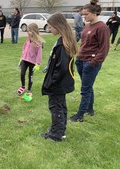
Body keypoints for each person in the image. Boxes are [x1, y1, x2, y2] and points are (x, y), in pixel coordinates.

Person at [70, 0, 110, 122]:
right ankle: (90, 109)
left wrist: (92, 63)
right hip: (80, 61)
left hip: (90, 63)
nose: (84, 17)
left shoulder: (102, 27)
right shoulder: (87, 26)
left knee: (85, 89)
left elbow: (104, 50)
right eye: (83, 15)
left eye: (86, 14)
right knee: (88, 86)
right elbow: (83, 43)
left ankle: (80, 115)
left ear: (94, 13)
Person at [40, 13, 78, 142]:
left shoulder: (62, 45)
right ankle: (59, 130)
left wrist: (52, 82)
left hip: (58, 84)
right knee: (60, 106)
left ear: (58, 26)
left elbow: (61, 68)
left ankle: (56, 135)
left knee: (56, 107)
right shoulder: (64, 40)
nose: (49, 29)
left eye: (51, 27)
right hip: (61, 83)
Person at [17, 23, 43, 98]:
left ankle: (29, 90)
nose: (29, 32)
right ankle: (23, 87)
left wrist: (38, 63)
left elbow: (39, 53)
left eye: (30, 31)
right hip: (25, 60)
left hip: (32, 62)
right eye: (28, 31)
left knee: (30, 76)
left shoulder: (38, 41)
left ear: (35, 31)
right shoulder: (27, 39)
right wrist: (21, 59)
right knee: (22, 74)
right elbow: (24, 49)